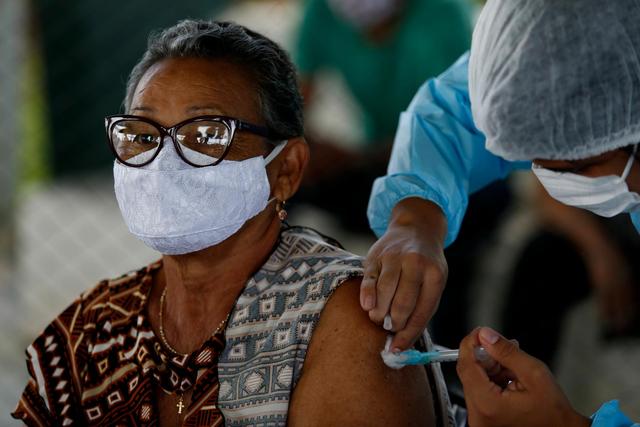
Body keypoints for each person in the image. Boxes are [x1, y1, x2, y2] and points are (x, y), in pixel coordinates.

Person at [12, 20, 443, 426]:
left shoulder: (342, 319)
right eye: (142, 135)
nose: (164, 160)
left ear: (287, 170)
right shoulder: (95, 327)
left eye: (206, 135)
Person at [364, 0, 640, 424]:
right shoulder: (578, 55)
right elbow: (458, 110)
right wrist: (416, 216)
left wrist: (566, 423)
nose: (554, 183)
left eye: (577, 167)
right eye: (535, 161)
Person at [292, 0, 471, 232]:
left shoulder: (443, 14)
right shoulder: (321, 10)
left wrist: (356, 159)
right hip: (376, 159)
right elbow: (292, 105)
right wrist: (304, 148)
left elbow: (443, 132)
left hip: (445, 166)